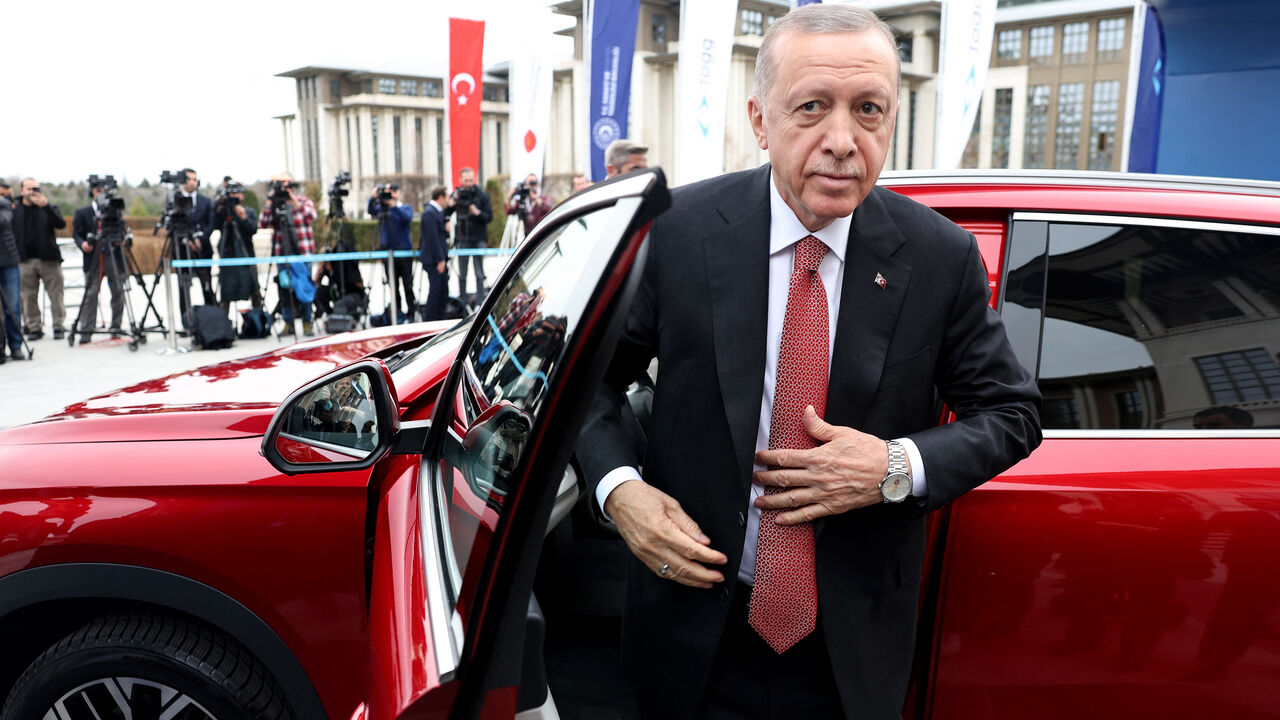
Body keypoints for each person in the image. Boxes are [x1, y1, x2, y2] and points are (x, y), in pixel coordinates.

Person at [575, 6, 1042, 719]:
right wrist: (620, 490)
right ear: (761, 121)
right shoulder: (679, 232)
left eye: (868, 111)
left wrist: (891, 468)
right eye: (813, 107)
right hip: (694, 631)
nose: (842, 142)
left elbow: (1012, 415)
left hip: (848, 652)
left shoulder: (938, 256)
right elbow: (591, 385)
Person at [259, 173, 318, 336]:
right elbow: (263, 222)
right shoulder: (275, 205)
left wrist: (294, 201)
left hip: (303, 253)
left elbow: (312, 216)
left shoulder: (304, 202)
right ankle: (288, 323)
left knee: (304, 287)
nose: (284, 189)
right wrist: (270, 201)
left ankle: (308, 322)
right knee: (284, 288)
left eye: (287, 186)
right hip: (281, 253)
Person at [12, 178, 67, 341]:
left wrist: (47, 207)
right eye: (28, 189)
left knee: (56, 295)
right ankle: (34, 327)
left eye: (35, 188)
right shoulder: (15, 210)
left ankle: (58, 325)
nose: (32, 192)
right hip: (24, 260)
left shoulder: (48, 207)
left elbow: (61, 224)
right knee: (28, 297)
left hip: (49, 259)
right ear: (21, 191)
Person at [72, 181, 126, 344]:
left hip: (113, 257)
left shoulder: (115, 211)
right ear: (92, 192)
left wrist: (121, 239)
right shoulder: (83, 212)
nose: (101, 193)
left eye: (104, 190)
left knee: (118, 292)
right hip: (93, 257)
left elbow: (121, 230)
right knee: (91, 293)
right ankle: (86, 330)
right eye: (98, 190)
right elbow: (77, 234)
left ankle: (116, 328)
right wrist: (83, 244)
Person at [171, 168, 216, 328]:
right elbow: (171, 225)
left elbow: (211, 223)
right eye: (189, 179)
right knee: (184, 287)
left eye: (195, 179)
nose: (193, 182)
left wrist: (200, 239)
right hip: (182, 250)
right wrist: (186, 240)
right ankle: (187, 323)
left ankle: (213, 320)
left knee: (207, 284)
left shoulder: (205, 201)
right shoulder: (173, 200)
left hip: (202, 249)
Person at [368, 184, 415, 322]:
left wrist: (394, 206)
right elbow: (371, 211)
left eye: (393, 192)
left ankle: (411, 313)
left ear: (398, 193)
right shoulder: (383, 210)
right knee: (393, 286)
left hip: (404, 253)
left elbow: (407, 218)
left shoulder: (404, 208)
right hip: (388, 254)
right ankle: (398, 313)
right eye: (388, 192)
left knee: (408, 285)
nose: (391, 195)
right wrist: (373, 198)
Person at [445, 167, 493, 299]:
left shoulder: (481, 195)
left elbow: (489, 217)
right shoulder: (457, 194)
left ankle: (480, 302)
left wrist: (477, 212)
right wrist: (451, 203)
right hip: (462, 237)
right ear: (461, 180)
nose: (468, 183)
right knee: (462, 273)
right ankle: (463, 301)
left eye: (471, 180)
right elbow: (445, 214)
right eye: (466, 180)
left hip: (478, 237)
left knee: (479, 272)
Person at [212, 183, 261, 311]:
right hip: (228, 257)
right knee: (226, 294)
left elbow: (253, 229)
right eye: (231, 194)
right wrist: (217, 207)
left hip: (246, 256)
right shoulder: (223, 212)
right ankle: (224, 326)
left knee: (254, 291)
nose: (234, 197)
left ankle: (258, 322)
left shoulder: (248, 211)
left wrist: (243, 217)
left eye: (237, 193)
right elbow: (214, 224)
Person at [419, 186, 451, 321]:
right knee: (436, 290)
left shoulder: (436, 212)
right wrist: (440, 260)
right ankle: (431, 319)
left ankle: (439, 317)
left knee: (443, 290)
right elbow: (432, 239)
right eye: (447, 197)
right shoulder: (429, 213)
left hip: (438, 258)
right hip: (434, 260)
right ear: (441, 197)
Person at [0, 180, 22, 362]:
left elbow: (4, 221)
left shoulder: (4, 204)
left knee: (12, 307)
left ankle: (16, 346)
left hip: (8, 262)